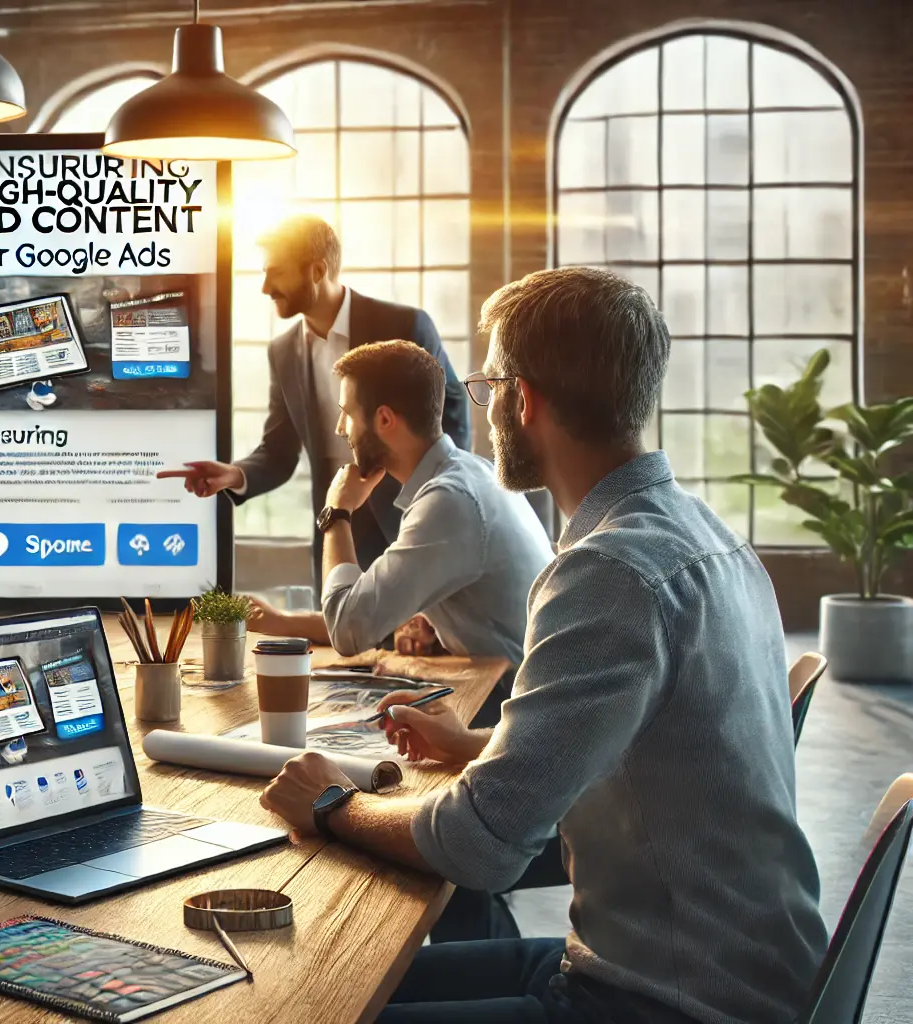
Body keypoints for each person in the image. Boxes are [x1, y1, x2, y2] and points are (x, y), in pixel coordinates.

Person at [259, 267, 826, 1023]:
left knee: (299, 1012)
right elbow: (642, 740)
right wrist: (477, 743)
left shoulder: (607, 572)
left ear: (522, 399)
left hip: (665, 1001)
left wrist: (330, 801)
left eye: (491, 387)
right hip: (715, 969)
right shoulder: (708, 536)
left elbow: (476, 847)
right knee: (317, 997)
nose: (484, 410)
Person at [159, 213, 470, 576]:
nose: (265, 287)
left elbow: (451, 413)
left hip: (414, 524)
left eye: (276, 272)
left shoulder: (405, 326)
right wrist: (233, 474)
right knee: (335, 630)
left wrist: (440, 499)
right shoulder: (283, 352)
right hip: (338, 528)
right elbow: (278, 451)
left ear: (317, 271)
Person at [246, 340, 552, 672]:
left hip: (517, 710)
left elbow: (348, 630)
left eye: (347, 413)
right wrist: (282, 622)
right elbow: (367, 610)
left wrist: (337, 512)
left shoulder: (448, 503)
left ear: (385, 420)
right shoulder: (473, 473)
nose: (339, 428)